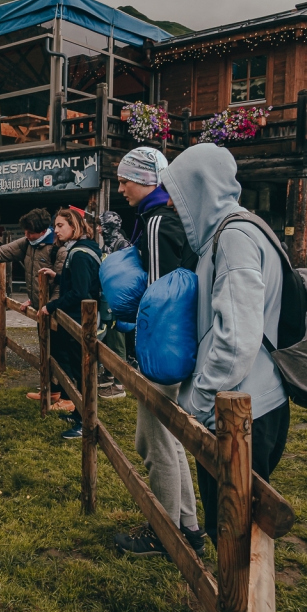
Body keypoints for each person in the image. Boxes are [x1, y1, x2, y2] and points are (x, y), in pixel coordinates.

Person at [160, 143, 290, 612]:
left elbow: (236, 338)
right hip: (250, 401)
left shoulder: (234, 239)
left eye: (179, 192)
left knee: (236, 525)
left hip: (241, 408)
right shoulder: (241, 230)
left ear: (199, 188)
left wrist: (196, 405)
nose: (174, 204)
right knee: (236, 526)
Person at [109, 147, 206, 559]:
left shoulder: (154, 221)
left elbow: (160, 295)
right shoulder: (175, 216)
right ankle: (188, 527)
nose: (120, 188)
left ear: (148, 180)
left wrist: (138, 338)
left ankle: (164, 533)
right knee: (171, 435)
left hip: (165, 346)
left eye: (125, 180)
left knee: (153, 439)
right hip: (184, 344)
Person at [0, 208, 67, 402]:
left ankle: (64, 395)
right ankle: (51, 390)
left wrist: (50, 306)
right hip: (41, 308)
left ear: (42, 231)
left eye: (30, 232)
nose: (26, 235)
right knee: (45, 348)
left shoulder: (58, 249)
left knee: (59, 352)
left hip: (54, 309)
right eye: (25, 232)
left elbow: (60, 283)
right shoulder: (28, 244)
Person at [38, 207, 102, 437]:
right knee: (78, 370)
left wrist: (51, 306)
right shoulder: (81, 249)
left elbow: (80, 292)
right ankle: (79, 413)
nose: (55, 230)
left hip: (80, 321)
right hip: (79, 319)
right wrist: (59, 277)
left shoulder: (80, 254)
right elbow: (79, 281)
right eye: (55, 226)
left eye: (60, 225)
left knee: (82, 371)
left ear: (74, 226)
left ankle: (86, 422)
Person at [96, 209, 130, 400]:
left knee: (117, 340)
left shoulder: (122, 245)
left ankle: (119, 385)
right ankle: (109, 374)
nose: (99, 229)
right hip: (106, 298)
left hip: (118, 300)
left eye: (101, 225)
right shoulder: (107, 245)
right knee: (108, 338)